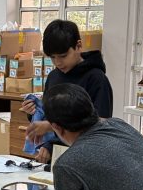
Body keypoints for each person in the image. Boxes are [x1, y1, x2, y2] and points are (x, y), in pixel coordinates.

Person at [22, 19, 113, 163]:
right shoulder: (53, 76)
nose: (58, 62)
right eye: (53, 57)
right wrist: (34, 112)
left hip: (86, 156)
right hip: (55, 153)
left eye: (63, 56)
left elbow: (100, 125)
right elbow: (51, 116)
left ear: (78, 46)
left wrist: (49, 127)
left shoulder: (96, 79)